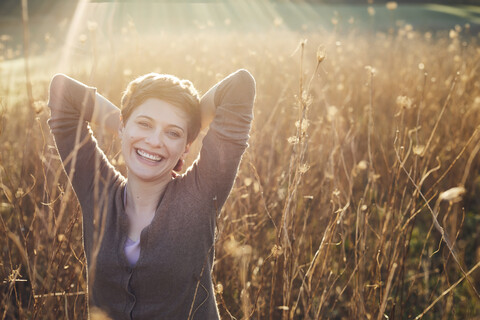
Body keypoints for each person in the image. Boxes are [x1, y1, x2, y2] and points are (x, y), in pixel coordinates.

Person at [47, 69, 256, 319]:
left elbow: (239, 87)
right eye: (144, 124)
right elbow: (63, 91)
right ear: (123, 125)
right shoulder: (97, 190)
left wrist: (186, 122)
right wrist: (130, 132)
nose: (155, 141)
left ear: (187, 147)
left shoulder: (200, 195)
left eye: (173, 133)